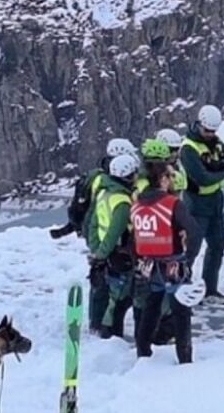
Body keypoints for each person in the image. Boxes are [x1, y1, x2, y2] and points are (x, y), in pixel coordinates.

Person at [131, 160, 201, 363]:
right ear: (162, 180)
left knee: (150, 308)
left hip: (148, 264)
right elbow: (194, 231)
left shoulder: (136, 205)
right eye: (169, 176)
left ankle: (143, 353)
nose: (172, 180)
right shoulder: (172, 204)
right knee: (181, 311)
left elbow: (135, 238)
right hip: (173, 263)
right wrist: (189, 258)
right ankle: (185, 358)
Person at [65, 138, 134, 334]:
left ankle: (97, 322)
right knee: (109, 286)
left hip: (98, 238)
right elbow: (108, 220)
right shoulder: (111, 190)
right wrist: (101, 251)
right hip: (106, 243)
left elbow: (94, 216)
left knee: (101, 282)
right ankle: (104, 325)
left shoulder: (103, 180)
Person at [179, 104, 224, 304]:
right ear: (199, 125)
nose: (210, 135)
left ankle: (210, 289)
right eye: (207, 131)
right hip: (196, 205)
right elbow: (202, 178)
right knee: (191, 250)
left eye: (213, 131)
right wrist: (221, 172)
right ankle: (182, 288)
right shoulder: (189, 148)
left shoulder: (215, 142)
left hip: (215, 203)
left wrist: (220, 165)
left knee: (217, 246)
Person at [89, 152, 138, 340]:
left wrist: (96, 251)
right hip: (118, 253)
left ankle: (101, 326)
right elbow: (115, 232)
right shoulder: (123, 202)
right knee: (119, 297)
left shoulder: (104, 193)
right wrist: (103, 254)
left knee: (107, 292)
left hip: (104, 251)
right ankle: (111, 332)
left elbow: (94, 223)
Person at [52, 138, 134, 241]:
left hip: (98, 234)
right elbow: (94, 210)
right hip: (107, 237)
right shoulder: (107, 182)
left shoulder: (98, 176)